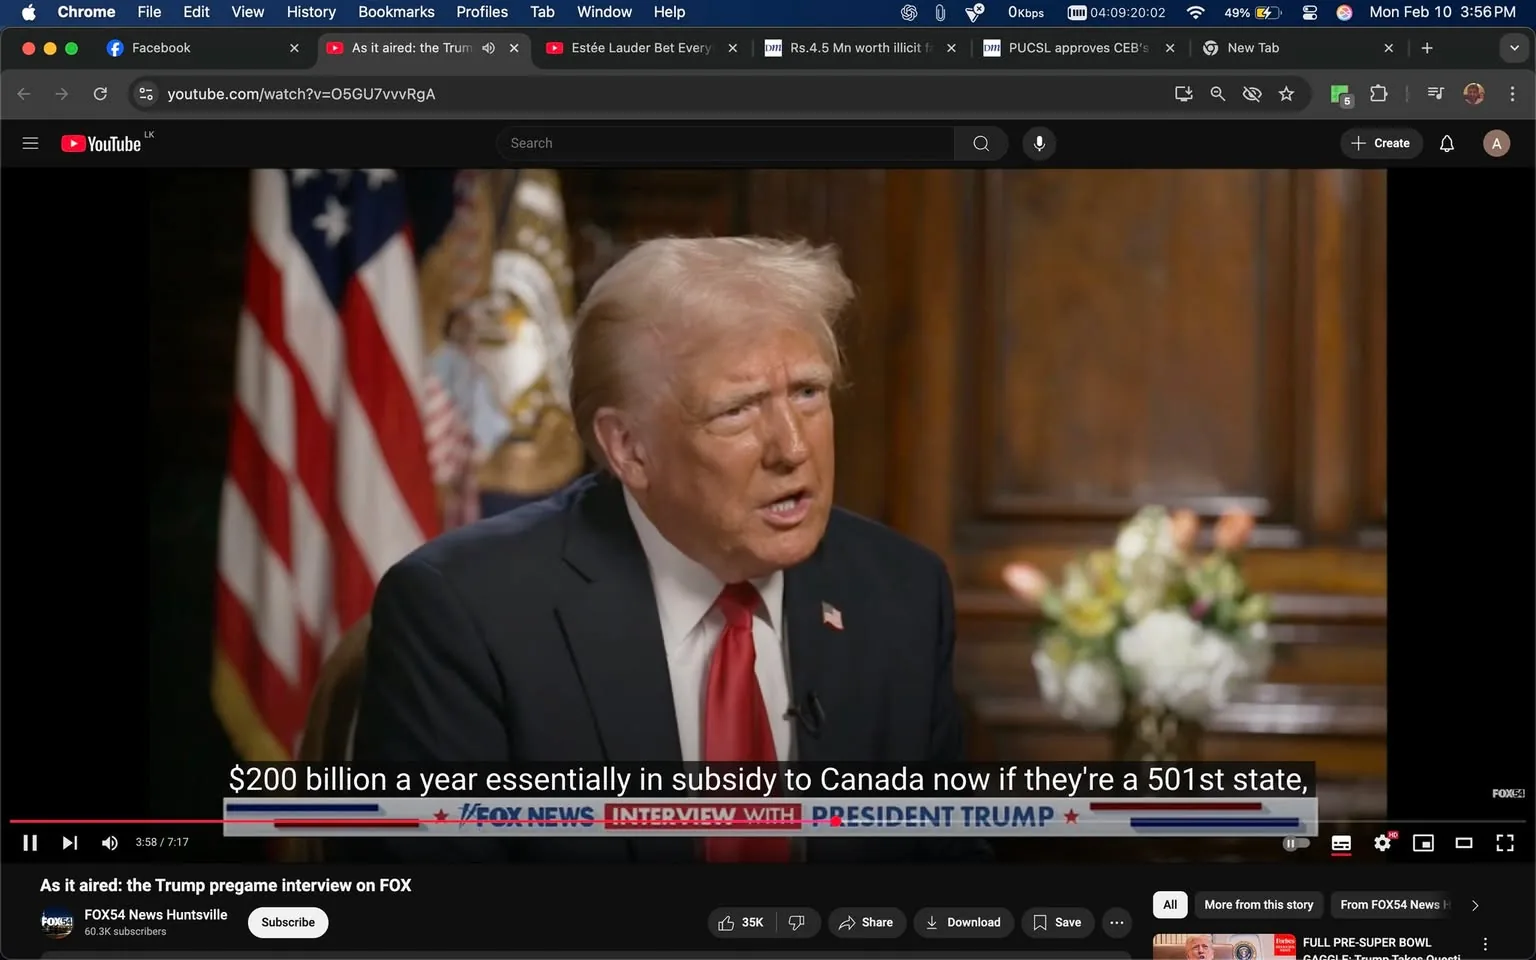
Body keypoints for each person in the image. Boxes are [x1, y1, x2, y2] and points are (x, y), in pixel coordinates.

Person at [352, 236, 986, 862]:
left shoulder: (900, 594)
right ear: (628, 447)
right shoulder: (467, 614)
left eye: (807, 393)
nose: (792, 448)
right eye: (737, 410)